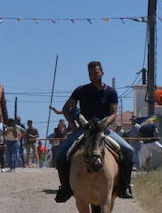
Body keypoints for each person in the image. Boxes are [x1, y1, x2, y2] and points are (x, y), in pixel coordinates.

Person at [52, 61, 136, 202]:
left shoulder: (111, 92)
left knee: (129, 151)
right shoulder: (81, 90)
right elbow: (66, 109)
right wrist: (73, 125)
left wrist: (105, 124)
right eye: (90, 74)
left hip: (104, 130)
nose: (93, 76)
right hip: (85, 130)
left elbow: (113, 113)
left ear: (102, 73)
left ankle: (124, 186)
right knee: (60, 155)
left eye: (96, 73)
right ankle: (65, 188)